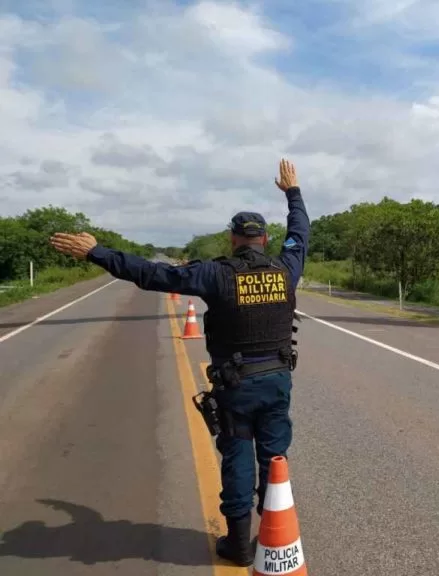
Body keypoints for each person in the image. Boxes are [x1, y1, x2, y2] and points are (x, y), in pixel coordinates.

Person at [49, 158, 309, 567]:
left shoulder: (214, 274)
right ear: (264, 239)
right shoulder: (287, 268)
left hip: (236, 385)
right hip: (277, 379)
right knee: (275, 458)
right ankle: (274, 534)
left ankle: (239, 544)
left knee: (238, 458)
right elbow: (300, 233)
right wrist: (293, 193)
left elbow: (151, 274)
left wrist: (97, 252)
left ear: (233, 239)